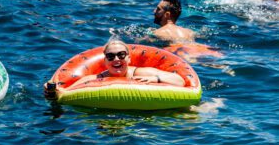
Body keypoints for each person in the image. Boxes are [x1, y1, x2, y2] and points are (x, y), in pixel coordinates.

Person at [45, 38, 185, 96]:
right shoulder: (95, 78)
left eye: (121, 55)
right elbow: (65, 92)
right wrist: (51, 91)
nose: (116, 59)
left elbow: (180, 81)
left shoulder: (141, 73)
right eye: (111, 57)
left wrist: (156, 79)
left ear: (129, 58)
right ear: (105, 62)